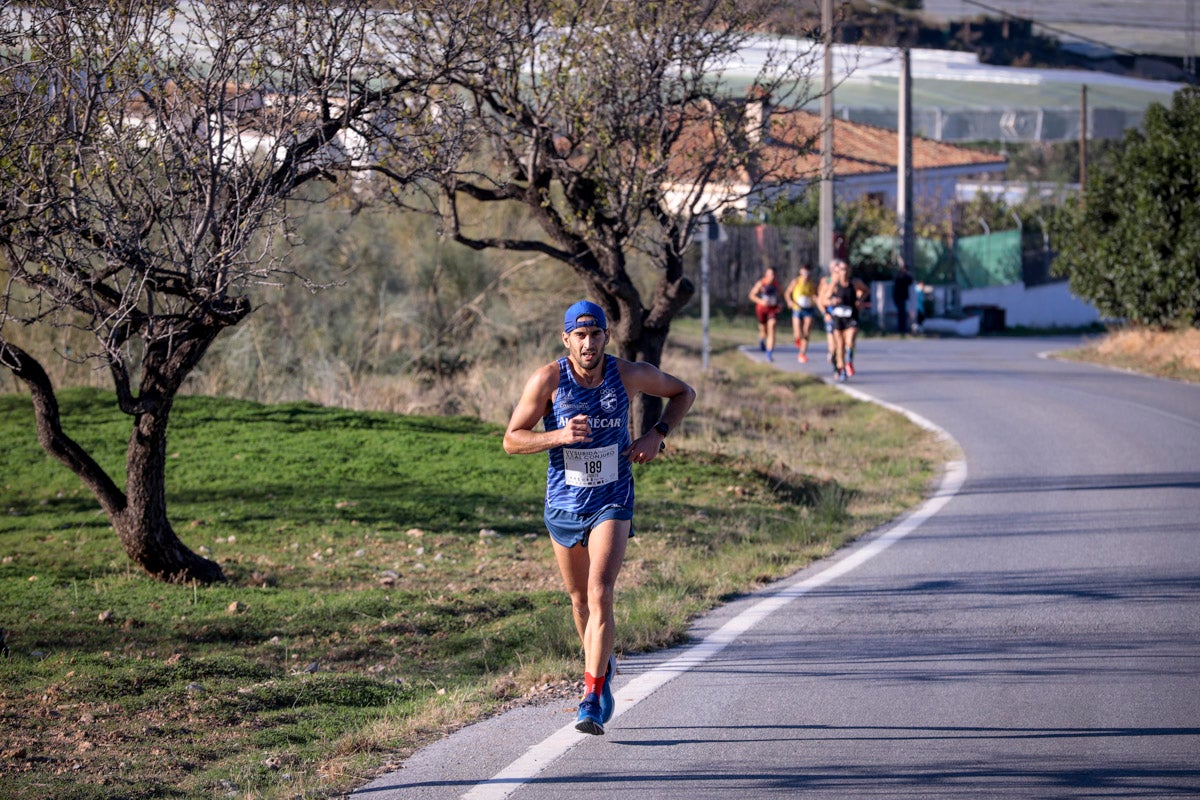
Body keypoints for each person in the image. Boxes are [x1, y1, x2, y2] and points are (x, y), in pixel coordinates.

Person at [503, 300, 696, 736]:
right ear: (566, 338)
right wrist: (558, 435)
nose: (588, 343)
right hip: (564, 503)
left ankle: (591, 695)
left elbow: (684, 392)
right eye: (580, 335)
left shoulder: (627, 373)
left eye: (596, 335)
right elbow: (512, 440)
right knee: (579, 601)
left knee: (600, 591)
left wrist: (657, 434)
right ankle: (602, 664)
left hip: (613, 498)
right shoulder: (548, 379)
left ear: (606, 337)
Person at [817, 259, 870, 382]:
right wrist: (831, 302)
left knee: (850, 341)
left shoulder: (855, 283)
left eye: (846, 269)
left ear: (849, 270)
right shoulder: (833, 285)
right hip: (838, 318)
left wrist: (860, 300)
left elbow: (866, 290)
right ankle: (841, 369)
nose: (844, 272)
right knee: (839, 346)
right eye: (841, 270)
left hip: (851, 316)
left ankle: (849, 362)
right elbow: (823, 300)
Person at [784, 263, 819, 363]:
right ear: (801, 272)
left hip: (809, 309)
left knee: (806, 331)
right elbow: (787, 293)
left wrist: (816, 299)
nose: (806, 275)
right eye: (804, 272)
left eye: (808, 273)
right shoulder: (796, 281)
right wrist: (789, 301)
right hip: (797, 308)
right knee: (798, 333)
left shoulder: (812, 283)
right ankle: (797, 339)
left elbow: (815, 295)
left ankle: (802, 354)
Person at [748, 267, 783, 362]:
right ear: (766, 275)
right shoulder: (761, 284)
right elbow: (751, 295)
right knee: (764, 332)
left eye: (773, 275)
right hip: (761, 309)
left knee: (772, 327)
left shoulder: (777, 285)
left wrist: (780, 305)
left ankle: (769, 353)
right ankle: (762, 339)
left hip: (772, 310)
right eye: (769, 274)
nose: (771, 277)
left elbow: (781, 296)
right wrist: (761, 301)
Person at [892, 264, 914, 337]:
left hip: (900, 298)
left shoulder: (900, 275)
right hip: (899, 298)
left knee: (902, 314)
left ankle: (902, 328)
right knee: (902, 314)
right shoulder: (901, 276)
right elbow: (910, 280)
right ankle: (902, 329)